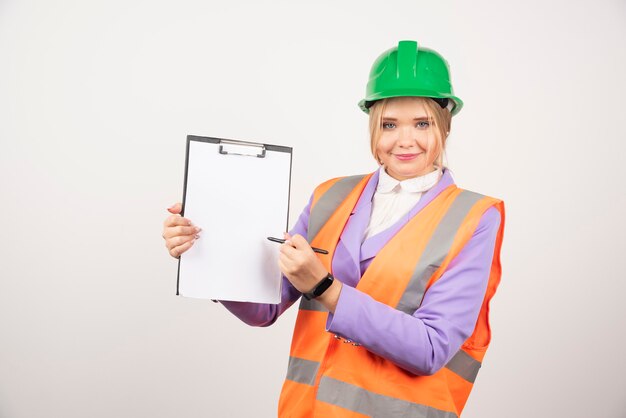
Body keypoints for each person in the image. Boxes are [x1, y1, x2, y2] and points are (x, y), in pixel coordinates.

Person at [162, 40, 505, 418]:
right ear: (372, 125)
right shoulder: (330, 196)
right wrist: (206, 247)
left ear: (445, 124)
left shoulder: (475, 216)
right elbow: (265, 308)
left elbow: (431, 349)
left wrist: (324, 288)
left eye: (421, 123)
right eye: (389, 124)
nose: (405, 140)